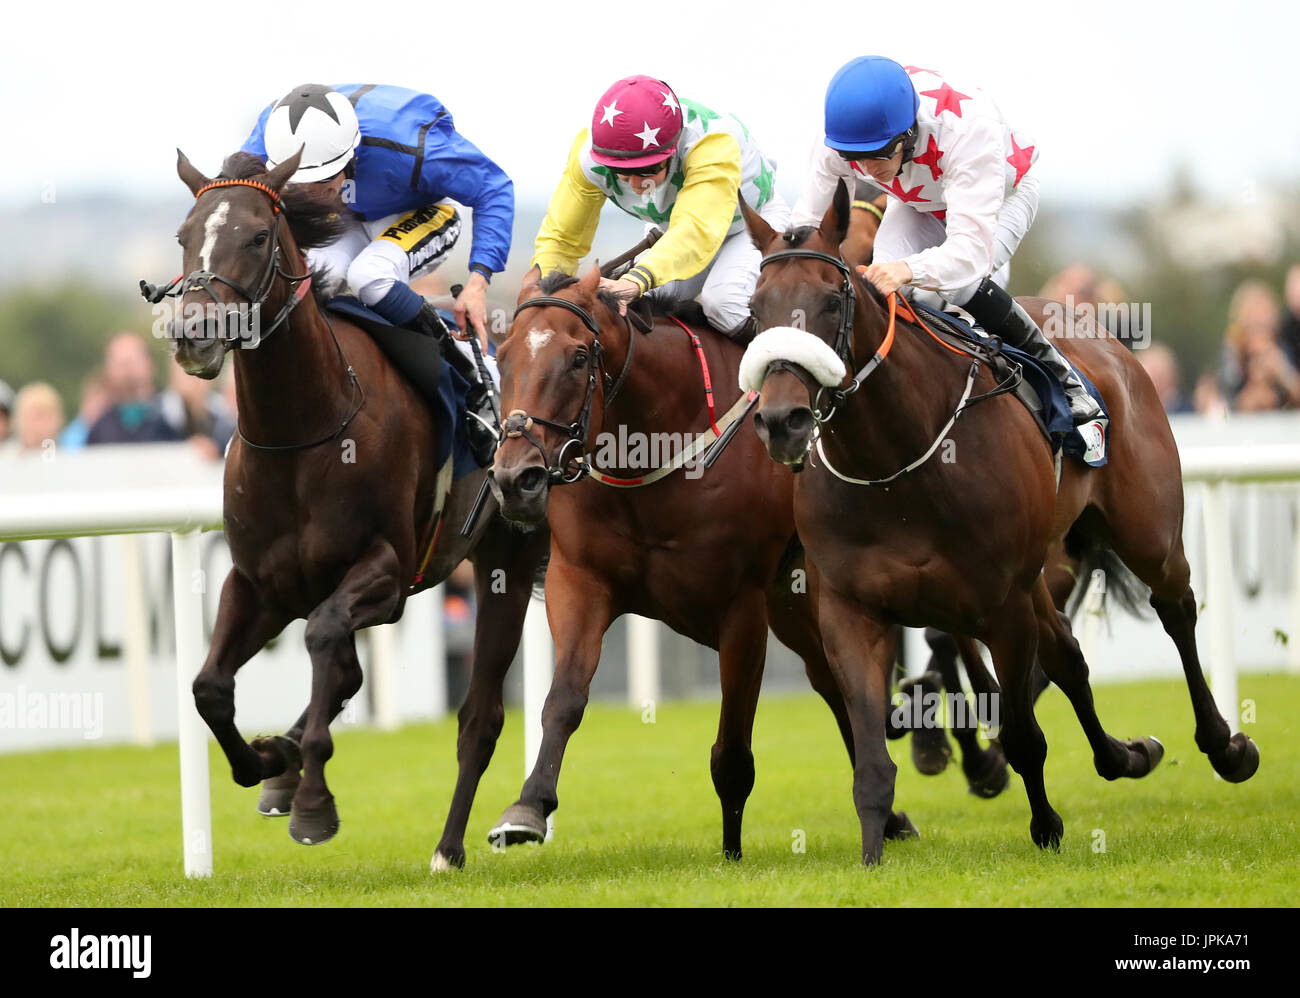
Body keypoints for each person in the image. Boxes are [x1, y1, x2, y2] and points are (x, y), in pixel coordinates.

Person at [791, 56, 1102, 425]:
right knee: (883, 296)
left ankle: (1066, 381)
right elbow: (806, 228)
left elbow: (969, 253)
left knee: (959, 286)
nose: (869, 170)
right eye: (855, 159)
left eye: (877, 155)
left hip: (1003, 196)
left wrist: (908, 268)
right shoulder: (840, 137)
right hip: (917, 201)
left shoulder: (969, 130)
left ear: (906, 134)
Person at [242, 84, 514, 462]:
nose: (308, 193)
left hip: (422, 213)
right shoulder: (266, 138)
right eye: (297, 182)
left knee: (369, 275)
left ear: (352, 155)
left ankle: (471, 374)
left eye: (322, 180)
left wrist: (478, 282)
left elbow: (494, 188)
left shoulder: (409, 143)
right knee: (315, 281)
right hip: (346, 219)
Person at [533, 74, 789, 340]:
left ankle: (791, 369)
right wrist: (542, 300)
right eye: (620, 171)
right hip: (675, 232)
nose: (635, 184)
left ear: (673, 147)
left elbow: (696, 229)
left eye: (647, 169)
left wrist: (635, 280)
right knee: (631, 307)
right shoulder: (589, 157)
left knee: (725, 303)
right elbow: (562, 238)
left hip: (750, 228)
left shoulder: (712, 144)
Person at [87, 333, 182, 445]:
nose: (127, 370)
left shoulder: (175, 414)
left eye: (132, 361)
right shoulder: (99, 428)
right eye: (119, 363)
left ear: (150, 364)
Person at [0, 382, 64, 456]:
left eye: (42, 417)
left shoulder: (71, 454)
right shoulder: (5, 455)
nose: (37, 425)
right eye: (30, 417)